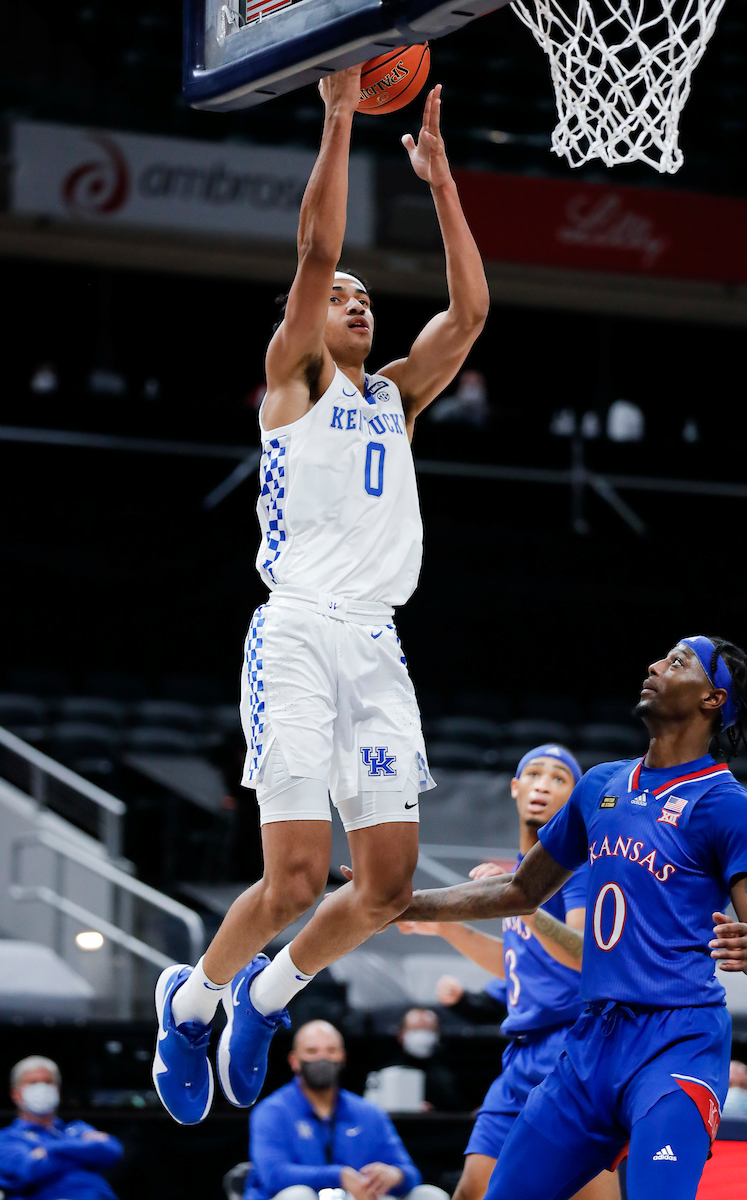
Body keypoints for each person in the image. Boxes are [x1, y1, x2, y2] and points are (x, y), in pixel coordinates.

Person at [152, 65, 489, 1126]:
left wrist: (438, 180)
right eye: (342, 297)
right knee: (294, 879)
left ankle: (267, 990)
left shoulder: (393, 395)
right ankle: (194, 1000)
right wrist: (341, 117)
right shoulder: (294, 381)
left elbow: (470, 312)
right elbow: (314, 250)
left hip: (375, 643)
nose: (355, 300)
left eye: (363, 301)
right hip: (296, 632)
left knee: (383, 889)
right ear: (305, 323)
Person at [394, 636, 747, 1200]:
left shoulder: (731, 806)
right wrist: (403, 904)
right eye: (661, 657)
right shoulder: (600, 785)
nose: (654, 665)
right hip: (591, 1043)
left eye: (678, 662)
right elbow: (520, 889)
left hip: (676, 1040)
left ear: (711, 698)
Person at [398, 745, 618, 1200]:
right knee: (471, 1192)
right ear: (515, 789)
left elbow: (583, 954)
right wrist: (446, 930)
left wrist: (523, 903)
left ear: (574, 796)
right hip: (520, 1053)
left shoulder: (577, 866)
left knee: (588, 1194)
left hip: (571, 1049)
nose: (543, 784)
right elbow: (517, 962)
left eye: (558, 778)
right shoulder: (518, 873)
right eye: (534, 774)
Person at [243, 1019, 449, 1200]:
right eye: (312, 1051)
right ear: (294, 1061)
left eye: (331, 1051)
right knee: (299, 1196)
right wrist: (338, 1175)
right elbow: (274, 1176)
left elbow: (410, 1174)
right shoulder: (272, 1112)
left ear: (342, 1057)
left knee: (430, 1195)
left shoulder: (369, 1113)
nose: (322, 1058)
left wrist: (394, 1175)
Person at [0, 1056, 122, 1200]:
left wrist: (50, 1149)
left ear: (57, 1089)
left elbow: (111, 1150)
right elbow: (30, 1170)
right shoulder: (7, 1138)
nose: (42, 1088)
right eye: (33, 1082)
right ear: (16, 1094)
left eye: (48, 1082)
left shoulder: (76, 1128)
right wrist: (83, 1153)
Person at [385, 1008, 459, 1112]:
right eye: (415, 1029)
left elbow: (456, 1111)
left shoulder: (446, 1077)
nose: (422, 1035)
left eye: (428, 1029)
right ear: (401, 1035)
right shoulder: (388, 1073)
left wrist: (433, 1111)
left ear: (438, 1034)